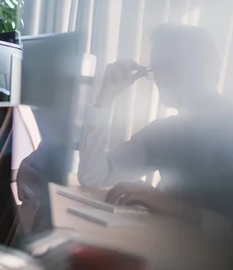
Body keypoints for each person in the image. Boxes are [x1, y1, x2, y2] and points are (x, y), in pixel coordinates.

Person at [78, 24, 233, 235]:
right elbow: (92, 176)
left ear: (205, 69)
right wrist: (106, 98)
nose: (159, 77)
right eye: (156, 68)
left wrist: (171, 205)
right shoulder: (165, 132)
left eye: (169, 65)